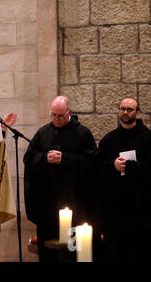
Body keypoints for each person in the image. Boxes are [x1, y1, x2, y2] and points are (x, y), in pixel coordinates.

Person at [23, 96, 97, 262]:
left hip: (75, 203)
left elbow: (92, 164)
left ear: (69, 112)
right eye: (53, 115)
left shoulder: (83, 133)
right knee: (50, 251)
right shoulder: (43, 133)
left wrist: (65, 159)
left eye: (60, 116)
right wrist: (44, 158)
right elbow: (29, 158)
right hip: (48, 205)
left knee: (73, 250)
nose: (55, 119)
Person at [95, 98, 151, 261]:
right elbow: (97, 166)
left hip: (141, 206)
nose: (125, 112)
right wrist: (112, 165)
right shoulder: (109, 139)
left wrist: (131, 166)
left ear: (137, 112)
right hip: (116, 207)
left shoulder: (148, 138)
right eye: (122, 109)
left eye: (129, 109)